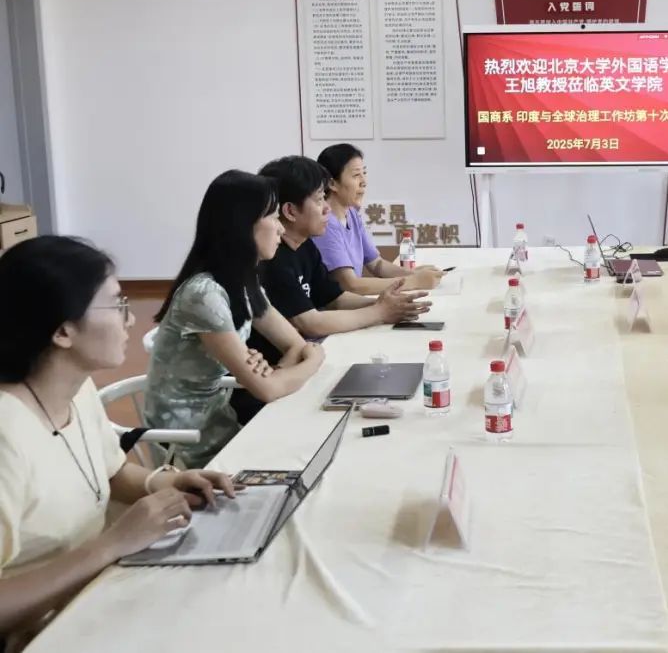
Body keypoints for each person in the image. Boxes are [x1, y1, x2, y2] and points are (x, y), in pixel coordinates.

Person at [0, 236, 239, 650]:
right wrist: (112, 545)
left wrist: (164, 484)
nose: (130, 321)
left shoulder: (76, 389)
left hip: (97, 595)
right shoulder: (7, 434)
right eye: (116, 305)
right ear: (63, 331)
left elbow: (110, 473)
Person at [145, 170, 326, 468]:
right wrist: (313, 360)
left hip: (222, 427)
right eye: (273, 217)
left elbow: (295, 344)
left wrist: (276, 373)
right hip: (189, 448)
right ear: (242, 226)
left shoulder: (243, 283)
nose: (281, 228)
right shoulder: (204, 294)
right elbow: (270, 388)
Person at [236, 156, 430, 423]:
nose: (327, 208)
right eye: (319, 200)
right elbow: (310, 323)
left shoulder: (305, 245)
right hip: (276, 382)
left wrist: (385, 304)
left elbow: (334, 298)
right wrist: (379, 312)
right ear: (290, 211)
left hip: (298, 365)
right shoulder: (271, 262)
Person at [313, 143, 443, 294]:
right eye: (356, 175)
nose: (364, 182)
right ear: (332, 183)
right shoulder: (326, 224)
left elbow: (377, 264)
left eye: (364, 173)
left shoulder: (351, 213)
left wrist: (413, 274)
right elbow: (351, 285)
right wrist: (414, 281)